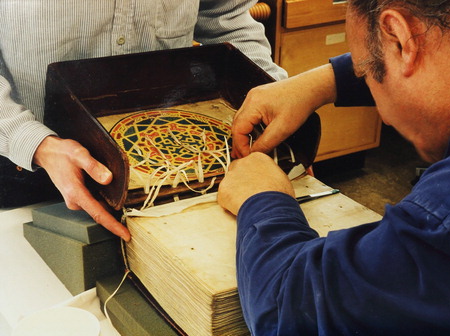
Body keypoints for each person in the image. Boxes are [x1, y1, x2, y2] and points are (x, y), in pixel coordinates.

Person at [217, 0, 450, 334]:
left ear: (399, 37)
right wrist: (327, 81)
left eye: (365, 73)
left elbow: (291, 314)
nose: (381, 110)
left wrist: (263, 199)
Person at [0, 1, 286, 241]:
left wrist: (270, 102)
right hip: (29, 164)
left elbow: (225, 16)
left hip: (179, 164)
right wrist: (32, 142)